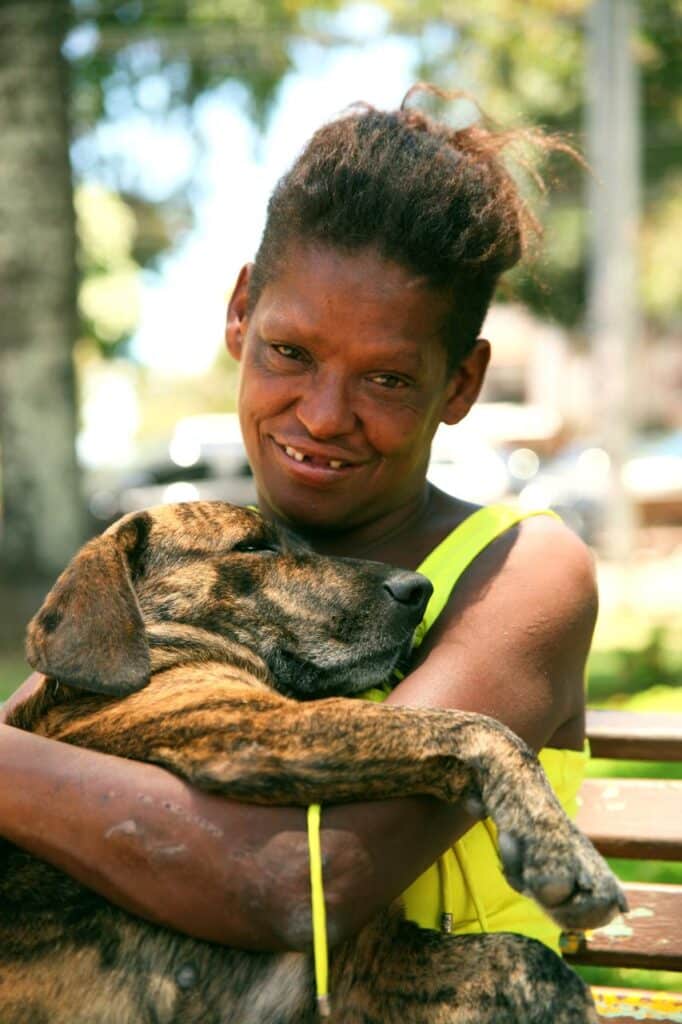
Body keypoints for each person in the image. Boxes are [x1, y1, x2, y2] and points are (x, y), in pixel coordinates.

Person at [0, 89, 597, 957]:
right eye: (292, 353)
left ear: (460, 384)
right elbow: (41, 735)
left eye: (387, 379)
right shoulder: (194, 565)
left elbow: (302, 886)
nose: (322, 415)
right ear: (242, 312)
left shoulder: (520, 574)